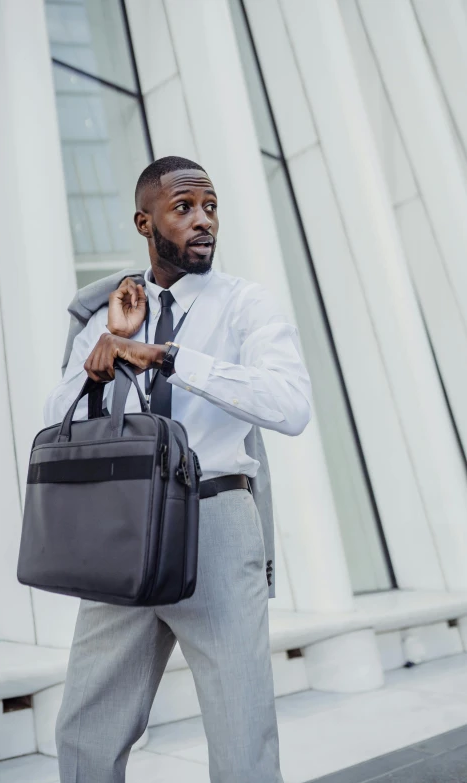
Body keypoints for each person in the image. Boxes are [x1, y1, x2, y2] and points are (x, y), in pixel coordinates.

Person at [46, 156, 312, 783]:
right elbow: (55, 416)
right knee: (86, 725)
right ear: (145, 222)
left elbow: (291, 406)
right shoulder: (111, 309)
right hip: (126, 524)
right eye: (184, 208)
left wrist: (168, 357)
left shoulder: (246, 303)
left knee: (241, 725)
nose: (203, 222)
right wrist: (105, 353)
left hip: (215, 518)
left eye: (211, 207)